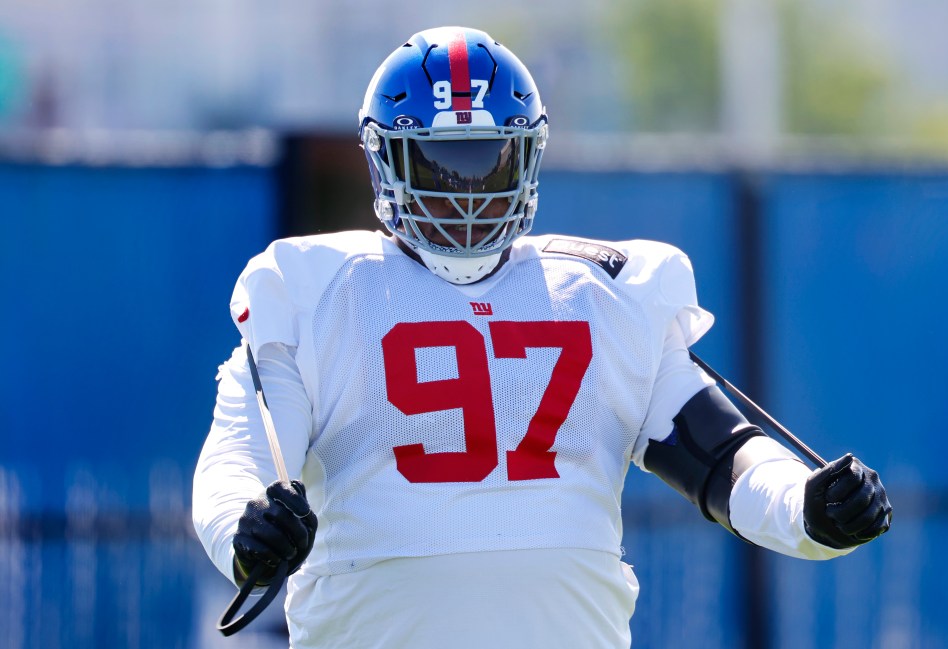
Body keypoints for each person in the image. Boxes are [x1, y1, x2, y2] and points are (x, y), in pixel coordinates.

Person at [192, 26, 892, 649]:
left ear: (528, 156)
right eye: (437, 164)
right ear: (386, 163)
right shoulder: (314, 292)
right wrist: (244, 535)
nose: (465, 192)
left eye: (487, 161)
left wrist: (806, 506)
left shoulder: (605, 292)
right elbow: (233, 463)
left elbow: (724, 460)